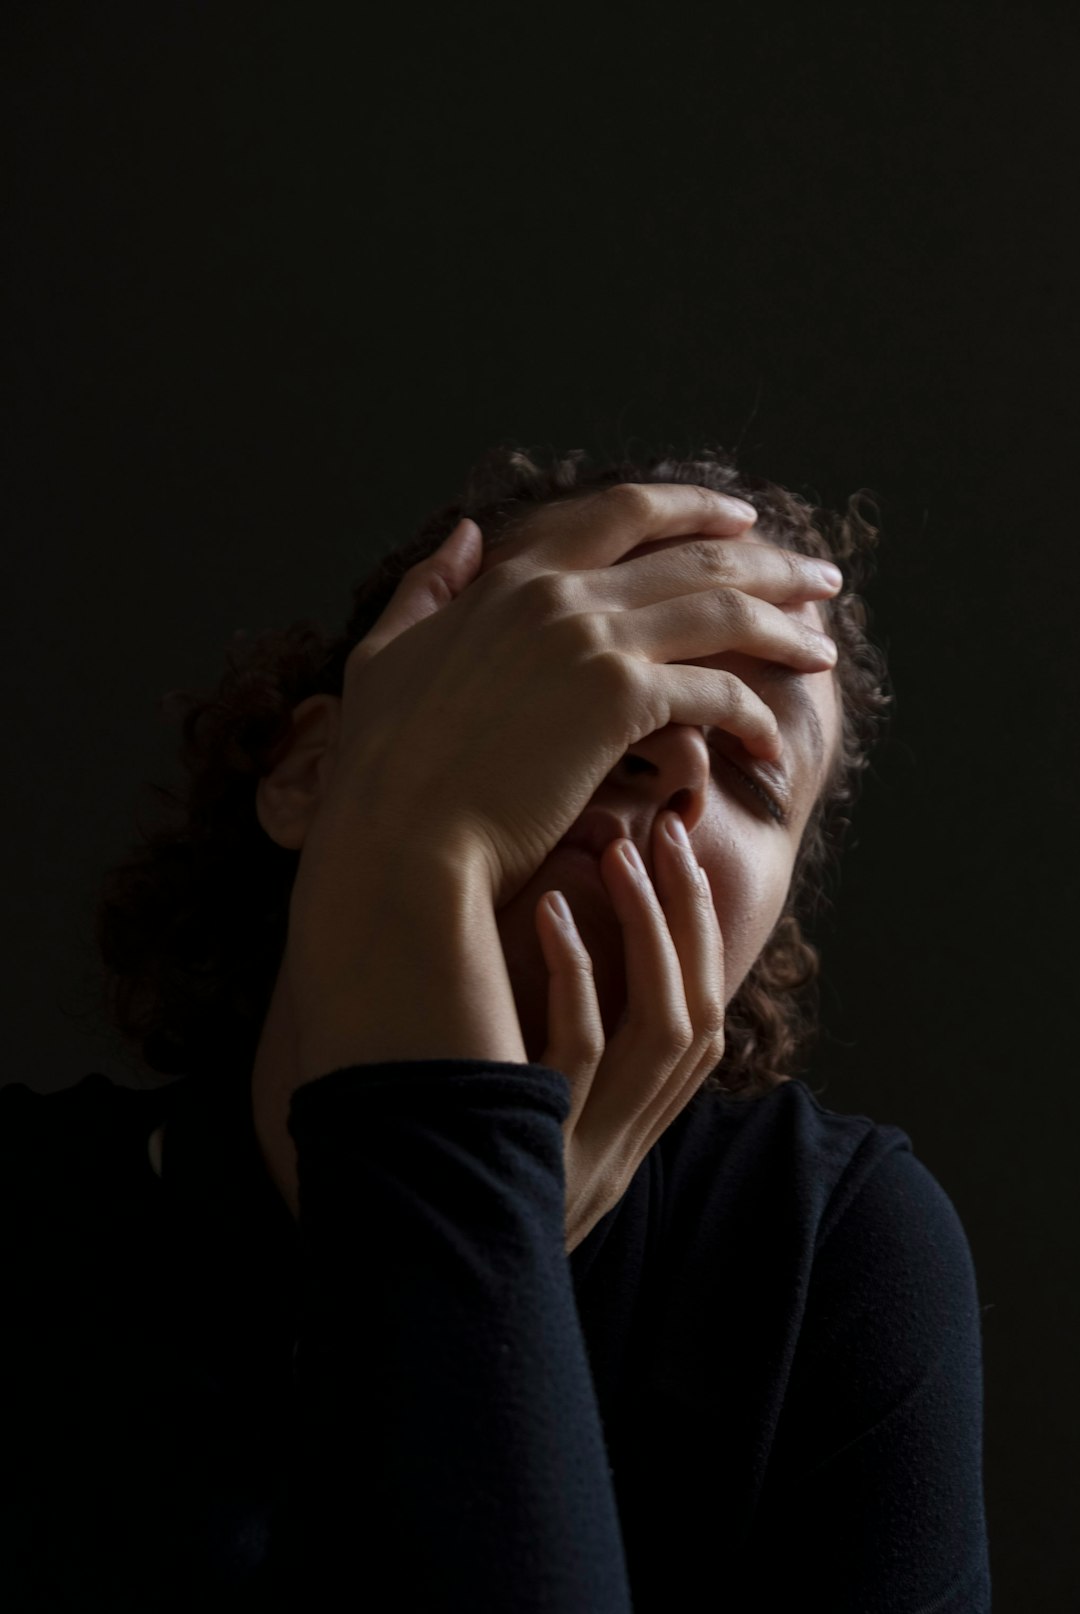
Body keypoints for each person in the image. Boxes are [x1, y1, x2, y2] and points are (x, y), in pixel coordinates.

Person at [1, 445, 991, 1611]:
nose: (666, 731)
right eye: (575, 656)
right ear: (311, 773)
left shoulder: (832, 1258)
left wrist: (459, 1231)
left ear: (756, 951)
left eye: (752, 771)